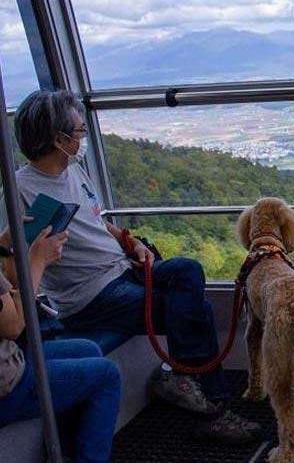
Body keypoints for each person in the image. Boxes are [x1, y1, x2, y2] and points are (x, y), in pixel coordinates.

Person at [3, 89, 260, 444]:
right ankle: (208, 401)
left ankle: (185, 380)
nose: (83, 138)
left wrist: (130, 241)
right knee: (194, 308)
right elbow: (13, 266)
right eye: (79, 132)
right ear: (58, 139)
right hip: (90, 295)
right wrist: (40, 255)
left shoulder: (72, 169)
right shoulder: (22, 191)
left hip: (121, 268)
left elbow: (95, 221)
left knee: (188, 269)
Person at [0, 224, 121, 463]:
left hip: (10, 359)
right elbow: (13, 326)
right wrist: (37, 261)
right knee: (107, 376)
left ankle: (66, 452)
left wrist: (4, 244)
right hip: (7, 385)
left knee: (87, 350)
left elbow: (9, 288)